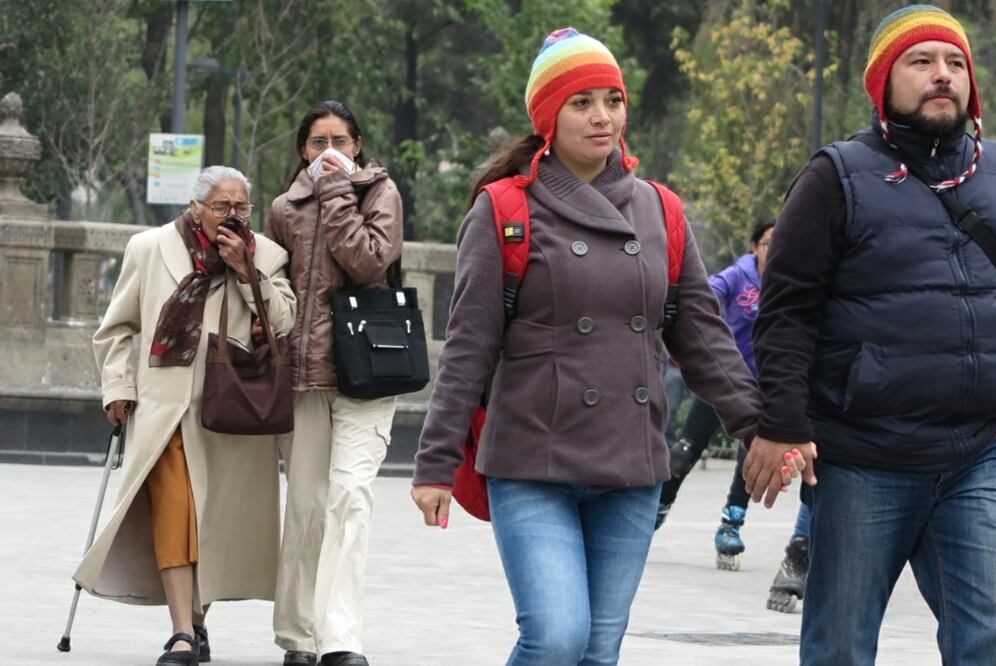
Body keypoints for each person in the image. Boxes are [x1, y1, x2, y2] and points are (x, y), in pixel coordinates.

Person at [409, 28, 804, 665]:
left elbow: (702, 335)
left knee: (598, 651)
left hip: (631, 464)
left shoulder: (661, 211)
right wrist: (435, 460)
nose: (602, 117)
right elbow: (468, 346)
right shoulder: (505, 208)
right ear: (547, 116)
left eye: (612, 100)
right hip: (532, 461)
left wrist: (760, 426)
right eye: (581, 102)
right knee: (556, 637)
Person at [744, 5, 996, 664]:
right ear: (882, 82)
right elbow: (785, 311)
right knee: (839, 647)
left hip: (980, 455)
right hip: (863, 457)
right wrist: (781, 421)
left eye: (954, 63)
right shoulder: (833, 176)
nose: (941, 75)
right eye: (920, 62)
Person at [73, 166, 297, 665]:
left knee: (215, 520)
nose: (234, 217)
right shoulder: (149, 248)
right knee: (176, 513)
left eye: (243, 208)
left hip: (233, 409)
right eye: (222, 206)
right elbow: (117, 329)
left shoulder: (269, 254)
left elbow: (285, 320)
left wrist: (247, 271)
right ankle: (180, 631)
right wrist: (118, 387)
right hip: (163, 408)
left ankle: (198, 620)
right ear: (196, 207)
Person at [267, 100, 404, 666]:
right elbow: (272, 283)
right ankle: (298, 635)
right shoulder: (282, 208)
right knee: (305, 508)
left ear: (358, 145)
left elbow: (370, 262)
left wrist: (337, 193)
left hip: (369, 372)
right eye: (318, 141)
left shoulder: (380, 194)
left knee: (351, 499)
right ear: (302, 148)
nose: (329, 152)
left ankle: (340, 639)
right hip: (304, 375)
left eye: (340, 141)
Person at [655, 218, 811, 605]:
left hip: (763, 390)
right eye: (767, 242)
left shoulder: (792, 280)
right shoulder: (738, 276)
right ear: (755, 247)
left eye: (781, 242)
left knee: (750, 455)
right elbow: (705, 293)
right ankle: (655, 511)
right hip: (724, 383)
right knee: (685, 452)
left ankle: (731, 525)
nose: (774, 250)